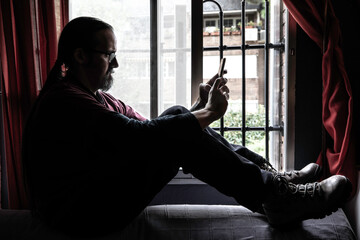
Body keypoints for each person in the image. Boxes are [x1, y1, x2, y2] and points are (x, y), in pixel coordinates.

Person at [22, 17, 352, 237]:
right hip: (80, 217)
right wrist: (206, 114)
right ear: (80, 55)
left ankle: (274, 183)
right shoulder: (63, 101)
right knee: (178, 126)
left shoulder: (92, 97)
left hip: (96, 199)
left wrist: (198, 109)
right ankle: (277, 197)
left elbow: (156, 129)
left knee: (178, 116)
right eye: (109, 54)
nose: (117, 63)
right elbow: (143, 138)